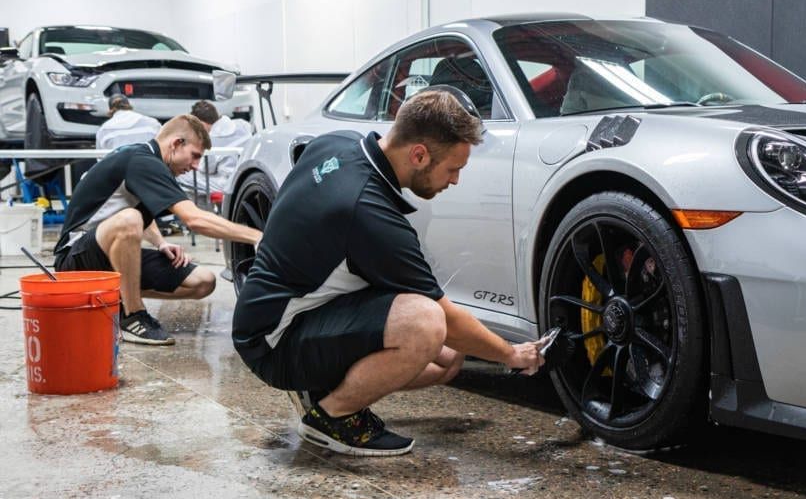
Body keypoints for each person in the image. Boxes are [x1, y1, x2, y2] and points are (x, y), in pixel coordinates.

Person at [232, 90, 545, 457]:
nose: (456, 180)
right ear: (419, 155)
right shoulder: (367, 212)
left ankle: (322, 387)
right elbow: (445, 317)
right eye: (453, 169)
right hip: (273, 343)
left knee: (445, 361)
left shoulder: (338, 143)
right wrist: (511, 354)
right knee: (426, 324)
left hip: (271, 315)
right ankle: (334, 417)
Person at [54, 114, 262, 345]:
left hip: (106, 254)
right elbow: (193, 219)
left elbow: (137, 206)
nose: (195, 166)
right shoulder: (142, 161)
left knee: (203, 281)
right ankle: (133, 316)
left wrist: (160, 242)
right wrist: (257, 236)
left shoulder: (146, 158)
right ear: (176, 143)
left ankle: (116, 297)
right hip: (74, 260)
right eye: (194, 156)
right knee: (130, 219)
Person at [182, 100, 252, 193]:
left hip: (228, 183)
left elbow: (206, 169)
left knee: (182, 176)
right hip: (249, 177)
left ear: (202, 124)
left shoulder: (211, 140)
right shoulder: (243, 124)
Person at [95, 95, 161, 150]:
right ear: (128, 105)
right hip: (148, 163)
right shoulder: (152, 123)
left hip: (119, 164)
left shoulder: (104, 129)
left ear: (110, 110)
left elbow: (100, 158)